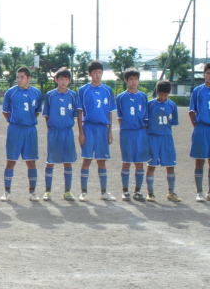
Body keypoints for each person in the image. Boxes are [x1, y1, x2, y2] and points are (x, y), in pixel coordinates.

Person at [1, 67, 43, 202]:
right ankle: (7, 192)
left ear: (29, 78)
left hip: (30, 130)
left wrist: (27, 120)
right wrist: (14, 121)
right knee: (10, 161)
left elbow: (37, 111)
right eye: (17, 77)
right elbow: (5, 111)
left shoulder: (36, 93)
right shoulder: (11, 92)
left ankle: (32, 192)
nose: (19, 79)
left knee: (31, 161)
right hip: (14, 129)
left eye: (22, 77)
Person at [77, 60, 117, 201]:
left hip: (102, 128)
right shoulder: (83, 90)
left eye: (100, 72)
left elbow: (110, 112)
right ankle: (84, 192)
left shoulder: (107, 90)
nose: (97, 75)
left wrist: (110, 131)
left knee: (102, 161)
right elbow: (79, 112)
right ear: (89, 74)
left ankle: (104, 192)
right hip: (88, 127)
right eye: (94, 72)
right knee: (87, 159)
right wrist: (81, 132)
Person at [42, 67, 78, 201]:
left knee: (68, 162)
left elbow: (75, 114)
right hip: (54, 132)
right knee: (50, 161)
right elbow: (46, 115)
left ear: (69, 81)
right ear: (56, 80)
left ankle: (67, 191)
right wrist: (50, 129)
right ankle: (47, 191)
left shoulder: (73, 95)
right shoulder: (50, 95)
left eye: (66, 79)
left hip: (67, 132)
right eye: (61, 79)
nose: (63, 82)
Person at [116, 68, 150, 202]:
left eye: (136, 79)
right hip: (126, 132)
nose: (134, 82)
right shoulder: (121, 97)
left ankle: (138, 191)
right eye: (131, 79)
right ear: (126, 80)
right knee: (126, 161)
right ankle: (125, 191)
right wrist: (127, 127)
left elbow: (146, 117)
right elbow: (120, 117)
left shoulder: (143, 97)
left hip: (140, 132)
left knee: (139, 162)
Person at [146, 80, 180, 202]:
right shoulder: (150, 105)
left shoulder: (172, 105)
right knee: (151, 165)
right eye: (160, 95)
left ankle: (171, 192)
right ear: (157, 92)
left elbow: (173, 123)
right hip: (153, 137)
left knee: (170, 165)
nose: (163, 97)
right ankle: (150, 193)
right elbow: (145, 123)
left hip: (167, 138)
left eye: (165, 95)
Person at [189, 62, 210, 202]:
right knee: (200, 161)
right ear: (204, 75)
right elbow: (191, 111)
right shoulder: (198, 90)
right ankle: (199, 192)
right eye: (208, 73)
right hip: (202, 128)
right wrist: (197, 126)